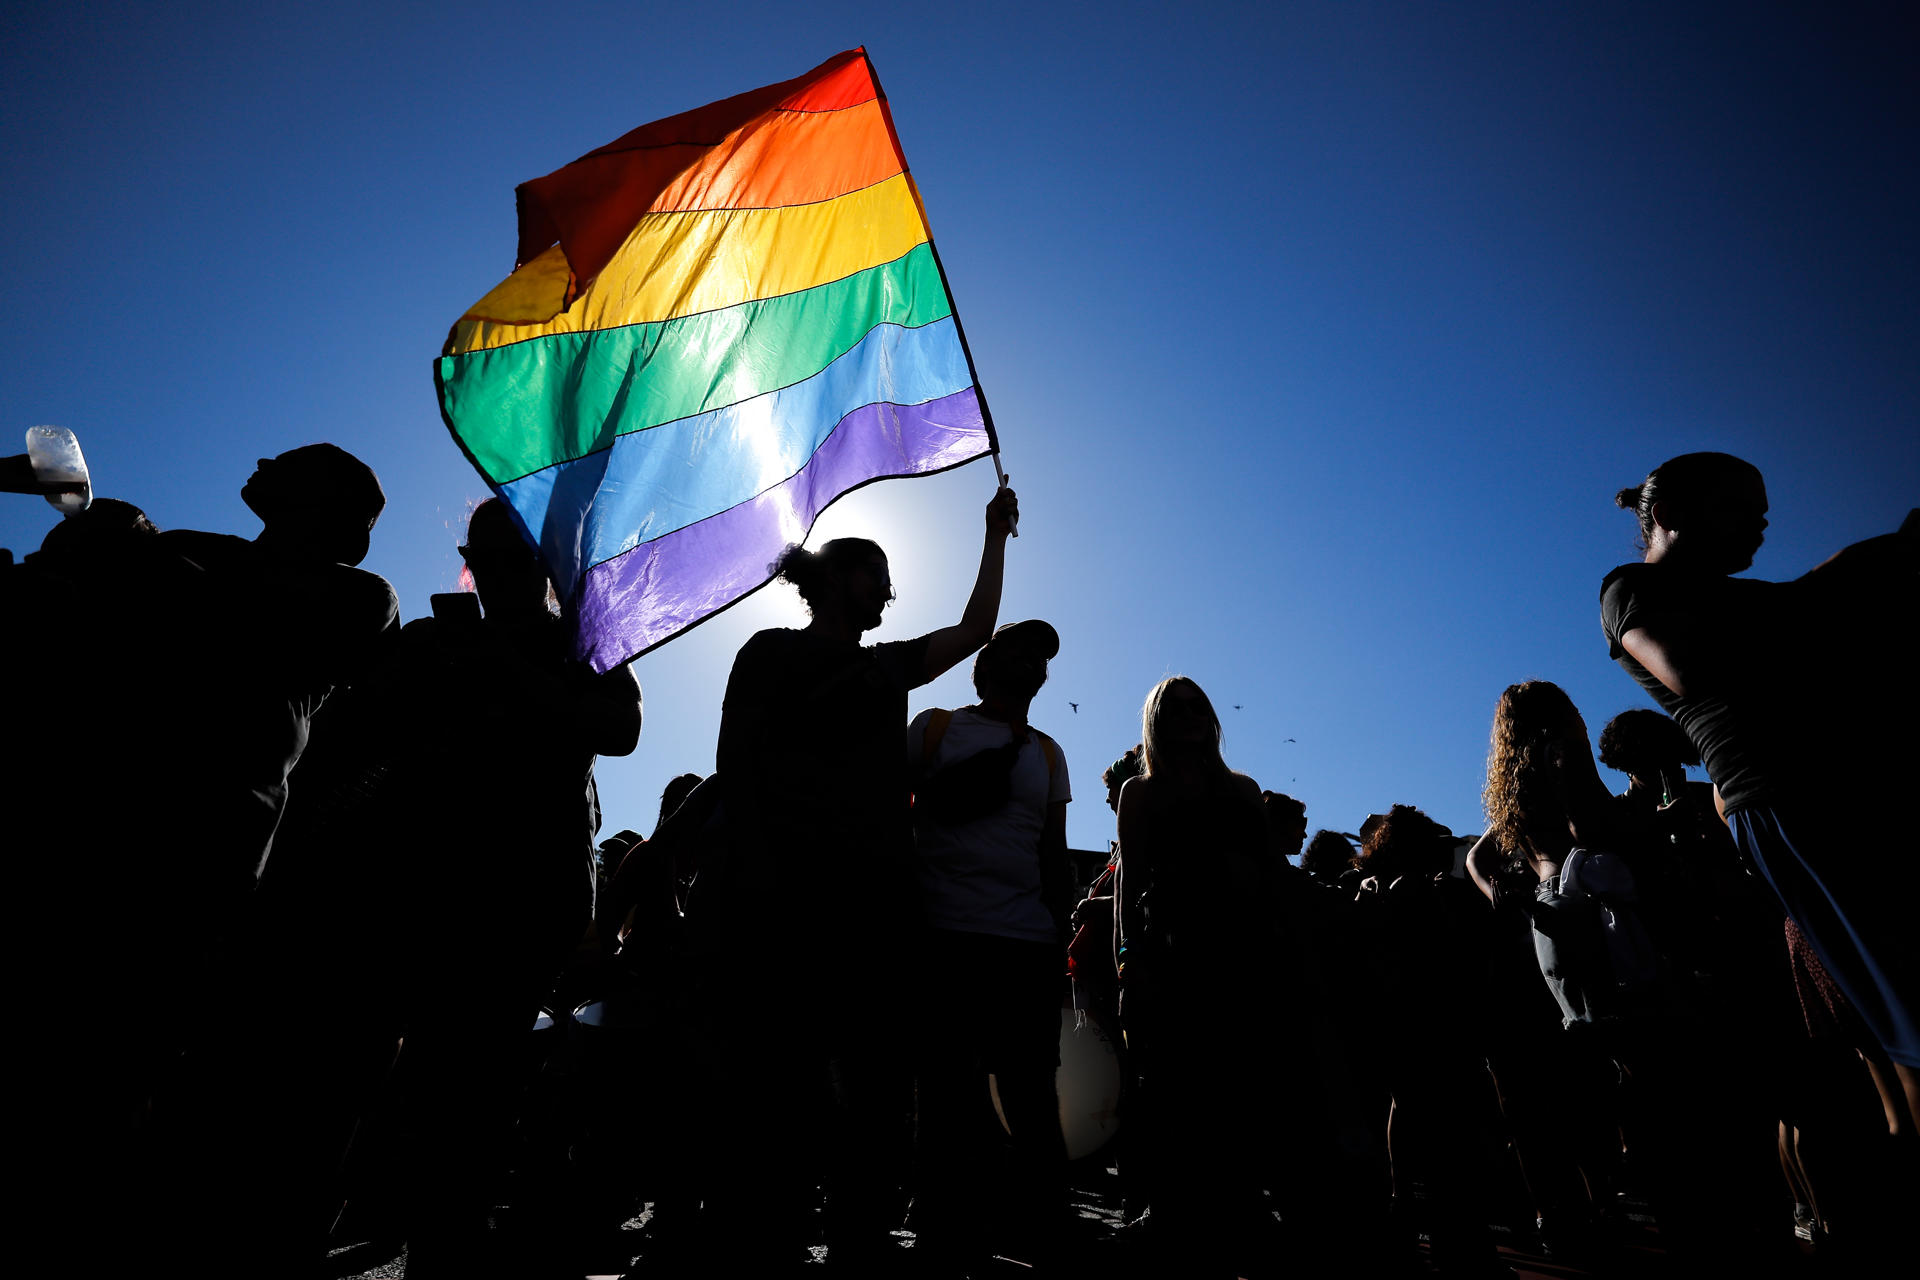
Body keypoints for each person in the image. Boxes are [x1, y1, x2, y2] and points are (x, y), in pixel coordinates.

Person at [697, 483, 1020, 1272]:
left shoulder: (889, 669)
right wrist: (755, 869)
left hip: (873, 903)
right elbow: (734, 765)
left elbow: (977, 630)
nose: (890, 590)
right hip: (782, 895)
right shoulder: (769, 653)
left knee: (872, 1081)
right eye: (878, 574)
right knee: (778, 1072)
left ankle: (856, 1234)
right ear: (841, 579)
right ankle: (763, 1230)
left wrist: (994, 535)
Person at [1600, 454, 1918, 1112]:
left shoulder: (1759, 602)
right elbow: (1693, 666)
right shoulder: (1630, 589)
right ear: (1669, 516)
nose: (1763, 522)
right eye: (1741, 508)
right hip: (1786, 803)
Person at [905, 619, 1073, 1270]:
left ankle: (1042, 1235)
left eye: (1043, 656)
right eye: (1022, 648)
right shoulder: (935, 728)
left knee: (1033, 1099)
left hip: (1024, 945)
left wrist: (1056, 936)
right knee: (947, 1093)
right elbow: (896, 820)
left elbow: (1053, 852)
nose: (1034, 661)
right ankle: (945, 1232)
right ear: (988, 660)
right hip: (943, 935)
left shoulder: (1049, 753)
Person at [1113, 675, 1271, 1270]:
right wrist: (1128, 962)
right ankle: (1167, 1205)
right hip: (1168, 952)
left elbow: (1267, 878)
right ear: (1154, 721)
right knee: (1167, 1084)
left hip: (1236, 954)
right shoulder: (1140, 794)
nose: (1184, 714)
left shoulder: (1242, 791)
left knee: (1235, 1082)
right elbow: (1130, 882)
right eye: (1171, 706)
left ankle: (1242, 1203)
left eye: (1194, 705)